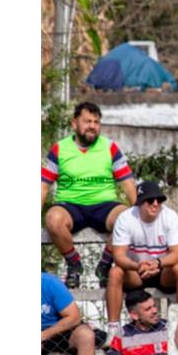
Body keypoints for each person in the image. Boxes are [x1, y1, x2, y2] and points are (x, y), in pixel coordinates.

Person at [42, 101, 138, 288]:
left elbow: (127, 182)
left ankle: (104, 265)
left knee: (126, 218)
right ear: (74, 124)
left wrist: (138, 213)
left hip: (105, 204)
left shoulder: (109, 147)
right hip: (70, 205)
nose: (92, 126)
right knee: (53, 219)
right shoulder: (59, 149)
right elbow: (43, 186)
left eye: (96, 122)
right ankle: (74, 265)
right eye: (87, 121)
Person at [105, 180, 178, 339]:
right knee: (115, 272)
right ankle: (113, 330)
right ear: (139, 202)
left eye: (159, 200)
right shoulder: (126, 218)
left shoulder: (169, 216)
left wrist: (157, 263)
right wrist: (137, 265)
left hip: (163, 272)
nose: (155, 204)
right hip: (136, 272)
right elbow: (118, 255)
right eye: (150, 200)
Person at [41, 271, 105, 355]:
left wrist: (45, 334)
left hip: (61, 330)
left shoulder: (49, 283)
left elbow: (74, 317)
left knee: (86, 335)